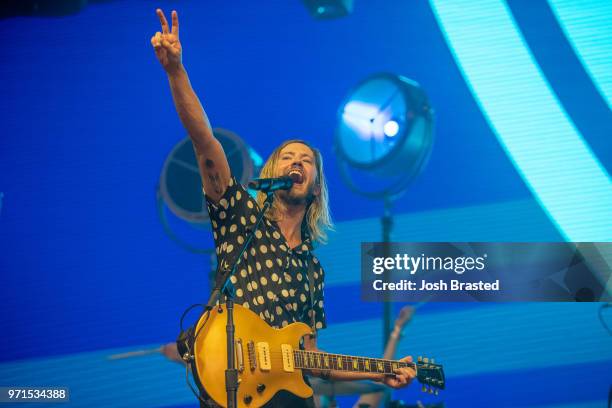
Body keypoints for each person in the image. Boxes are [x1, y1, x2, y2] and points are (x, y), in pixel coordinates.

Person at [151, 9, 416, 407]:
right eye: (288, 157)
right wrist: (176, 72)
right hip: (233, 386)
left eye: (306, 160)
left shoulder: (312, 270)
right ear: (272, 172)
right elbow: (205, 142)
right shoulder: (242, 218)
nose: (297, 162)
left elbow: (314, 360)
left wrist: (381, 370)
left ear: (315, 188)